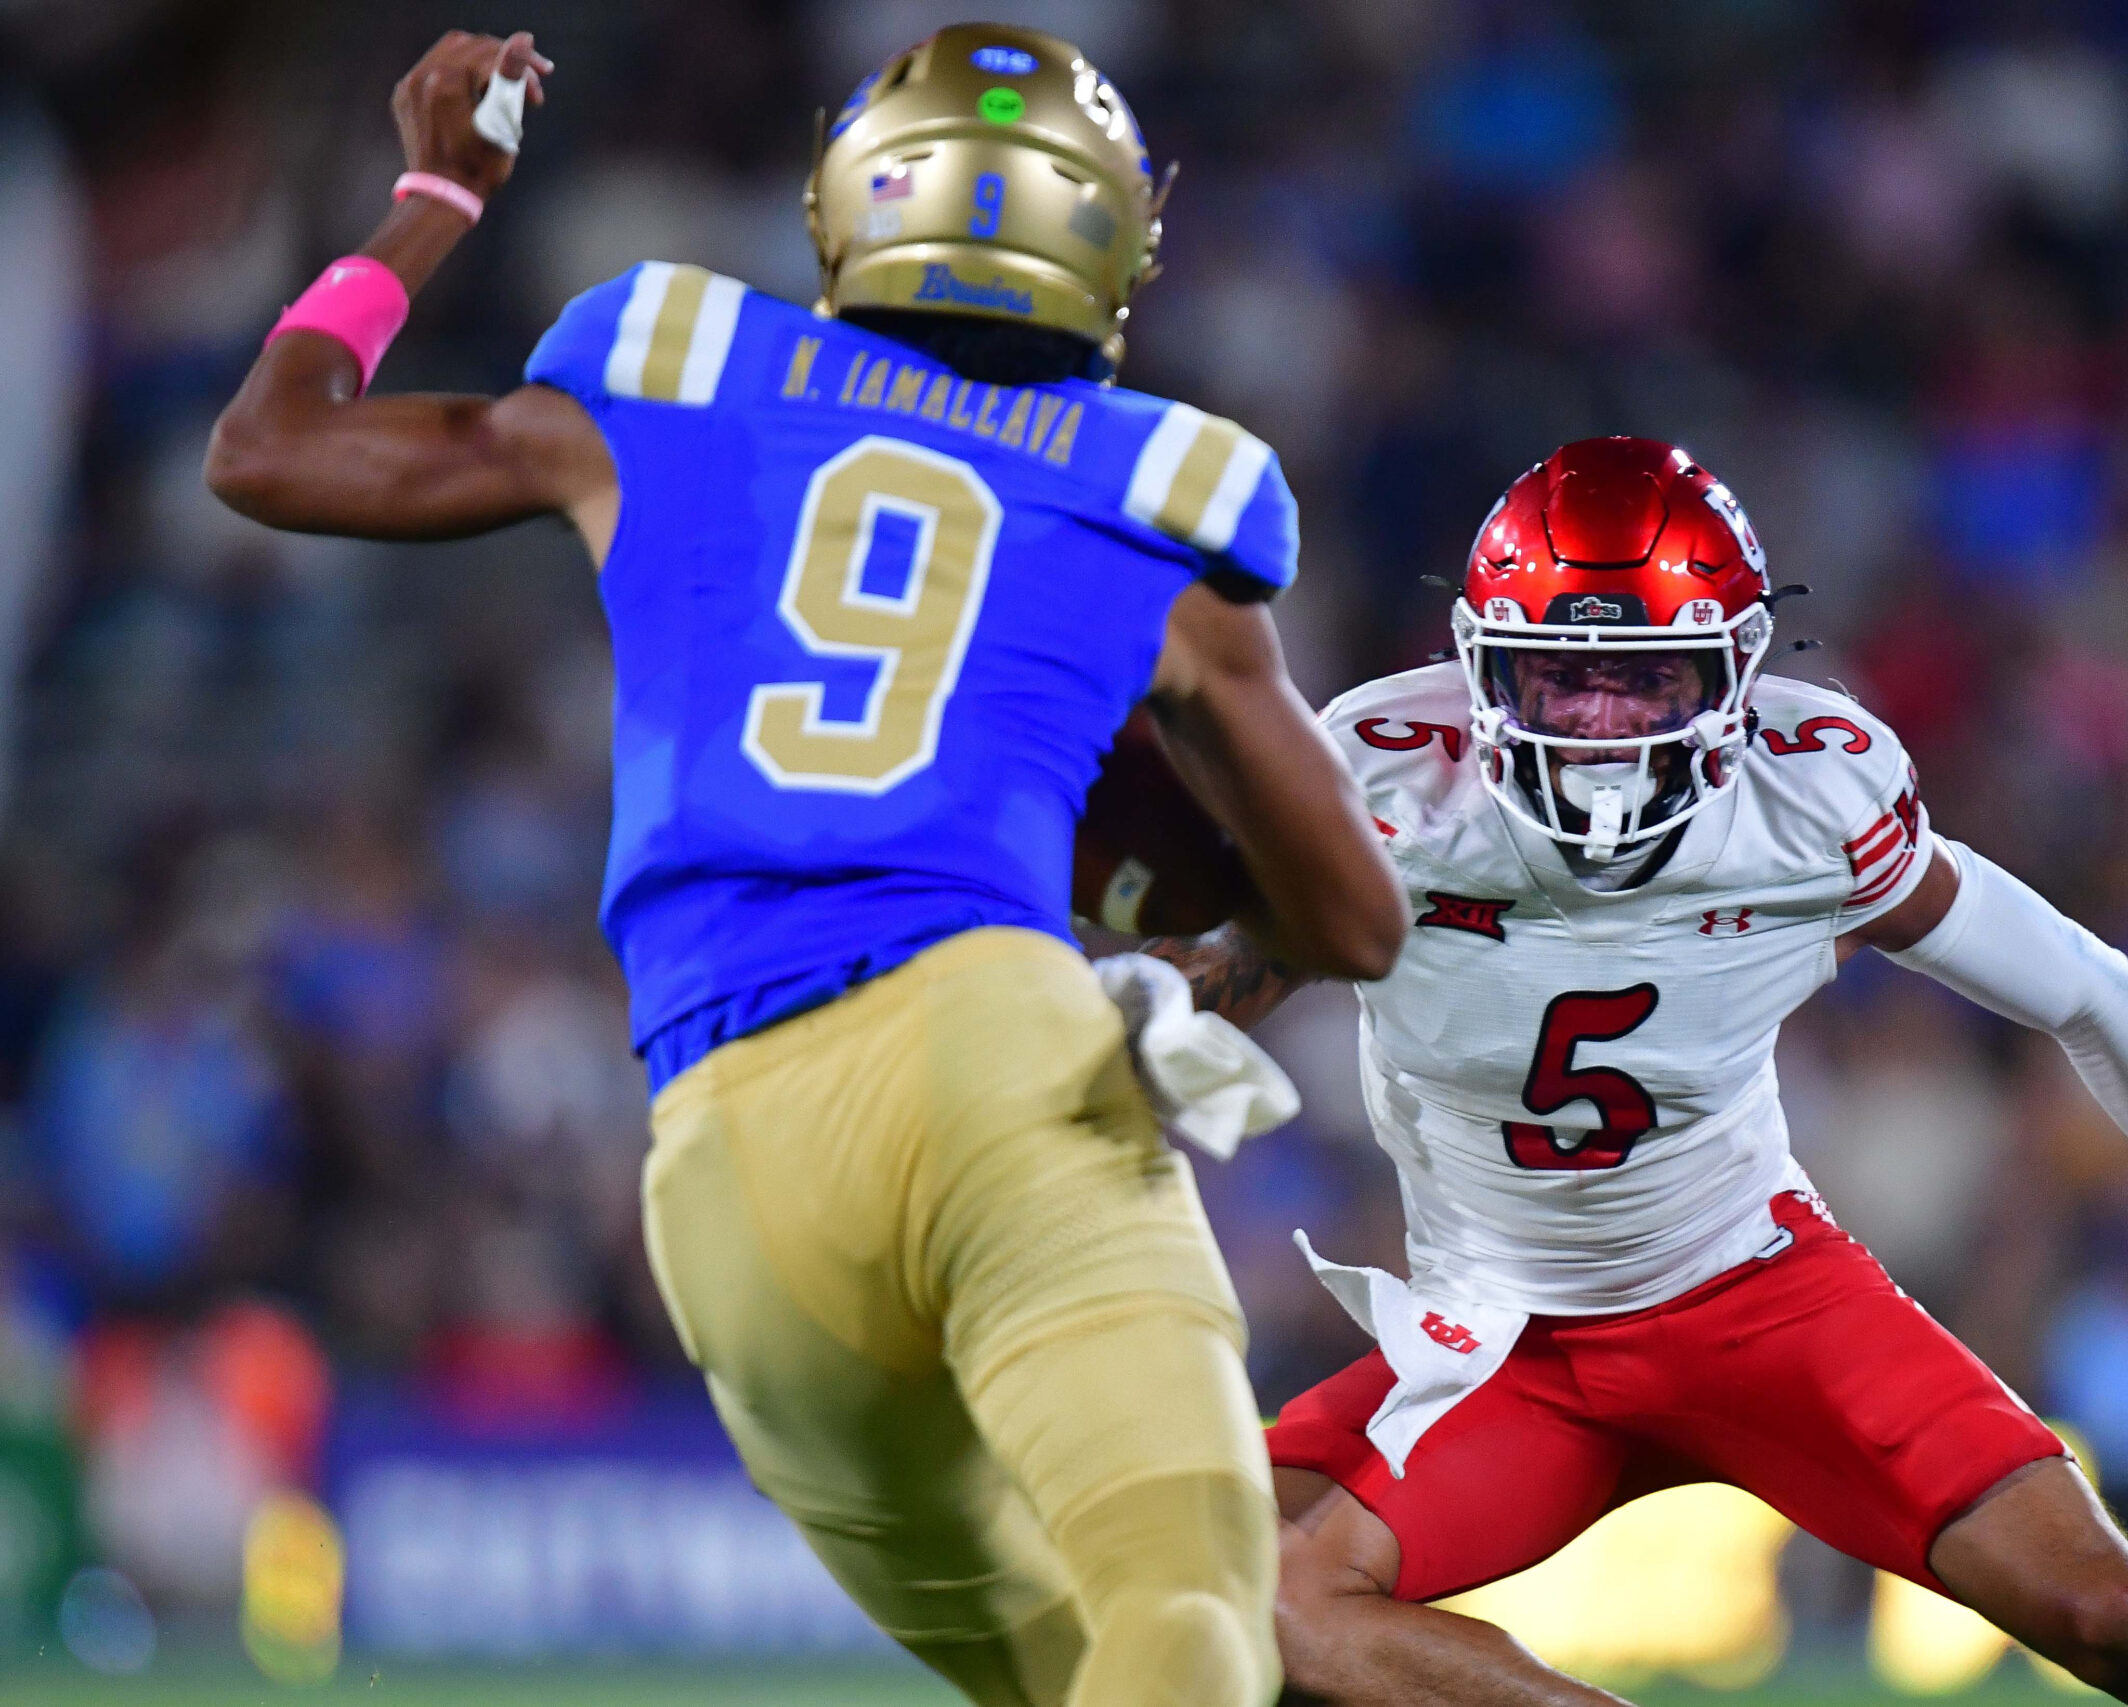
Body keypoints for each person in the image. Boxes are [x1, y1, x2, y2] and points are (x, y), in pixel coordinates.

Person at [204, 25, 1406, 1707]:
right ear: (1115, 235)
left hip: (724, 1147)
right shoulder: (1158, 492)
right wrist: (1173, 910)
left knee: (1072, 1664)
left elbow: (266, 450)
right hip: (999, 1053)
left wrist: (435, 194)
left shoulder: (668, 372)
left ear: (851, 201)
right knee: (1187, 1615)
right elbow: (1356, 917)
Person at [1146, 437, 2128, 1707]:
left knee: (2111, 1611)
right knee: (1232, 1607)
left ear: (1737, 674)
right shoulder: (1384, 784)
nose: (1599, 732)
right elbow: (1204, 982)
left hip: (1760, 1300)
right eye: (1561, 682)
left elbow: (2091, 991)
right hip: (1502, 1341)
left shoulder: (1808, 799)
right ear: (1478, 668)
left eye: (1644, 685)